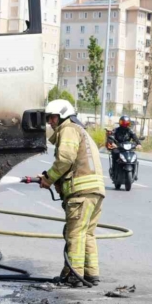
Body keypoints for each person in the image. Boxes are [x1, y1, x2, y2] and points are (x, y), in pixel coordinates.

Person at [37, 99, 105, 287]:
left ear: (62, 116)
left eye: (52, 118)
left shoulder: (68, 129)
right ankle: (91, 275)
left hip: (81, 193)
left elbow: (66, 159)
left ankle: (74, 276)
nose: (50, 122)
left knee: (74, 233)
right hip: (95, 192)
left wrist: (48, 178)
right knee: (87, 234)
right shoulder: (81, 131)